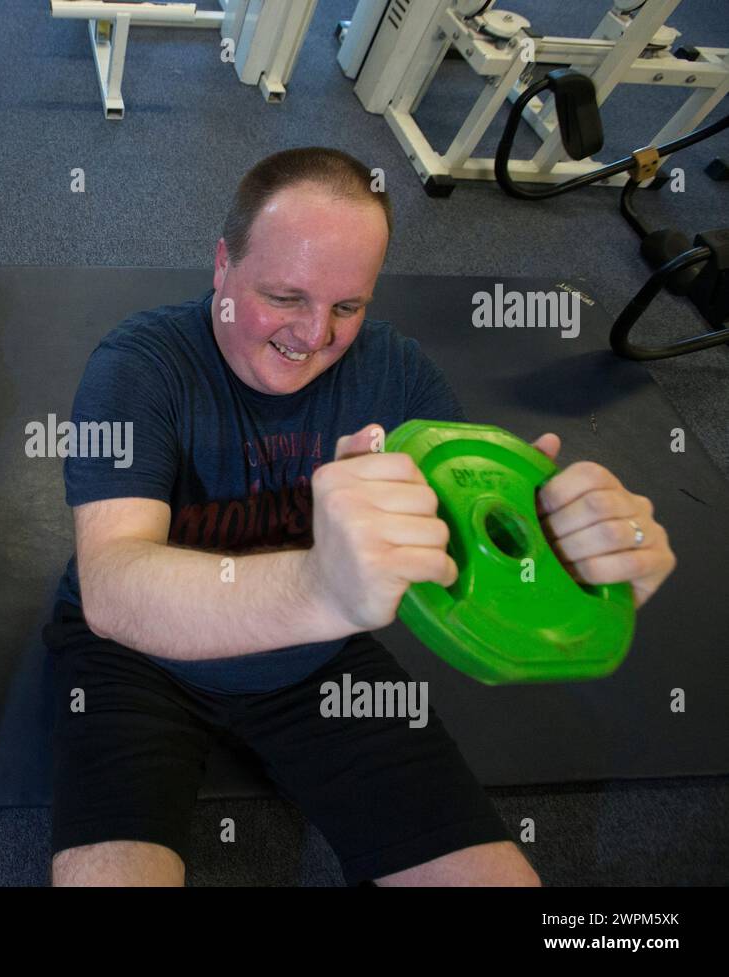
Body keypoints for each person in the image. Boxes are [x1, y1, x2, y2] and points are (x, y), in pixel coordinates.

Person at [45, 147, 676, 886]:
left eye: (348, 306)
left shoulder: (399, 375)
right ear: (222, 264)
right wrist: (323, 586)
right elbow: (115, 590)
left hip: (319, 657)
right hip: (143, 660)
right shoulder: (138, 365)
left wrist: (575, 562)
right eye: (285, 297)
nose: (314, 336)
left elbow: (477, 550)